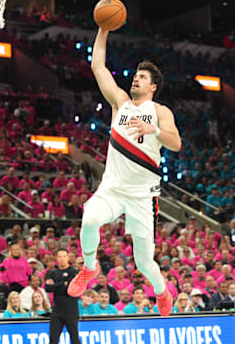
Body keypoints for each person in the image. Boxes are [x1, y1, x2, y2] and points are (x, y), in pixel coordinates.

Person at [68, 27, 182, 318]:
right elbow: (97, 65)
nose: (136, 78)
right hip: (113, 189)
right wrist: (103, 29)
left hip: (143, 196)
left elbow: (176, 143)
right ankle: (90, 266)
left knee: (144, 263)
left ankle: (161, 291)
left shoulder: (160, 111)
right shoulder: (120, 103)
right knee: (90, 217)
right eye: (136, 75)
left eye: (142, 77)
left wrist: (153, 130)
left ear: (153, 86)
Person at [45, 249, 79, 344]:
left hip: (71, 310)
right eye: (60, 257)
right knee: (53, 339)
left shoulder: (74, 272)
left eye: (64, 256)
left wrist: (56, 286)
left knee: (74, 338)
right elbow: (47, 288)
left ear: (68, 258)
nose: (62, 259)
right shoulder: (53, 273)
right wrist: (62, 284)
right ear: (56, 258)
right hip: (57, 311)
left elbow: (70, 289)